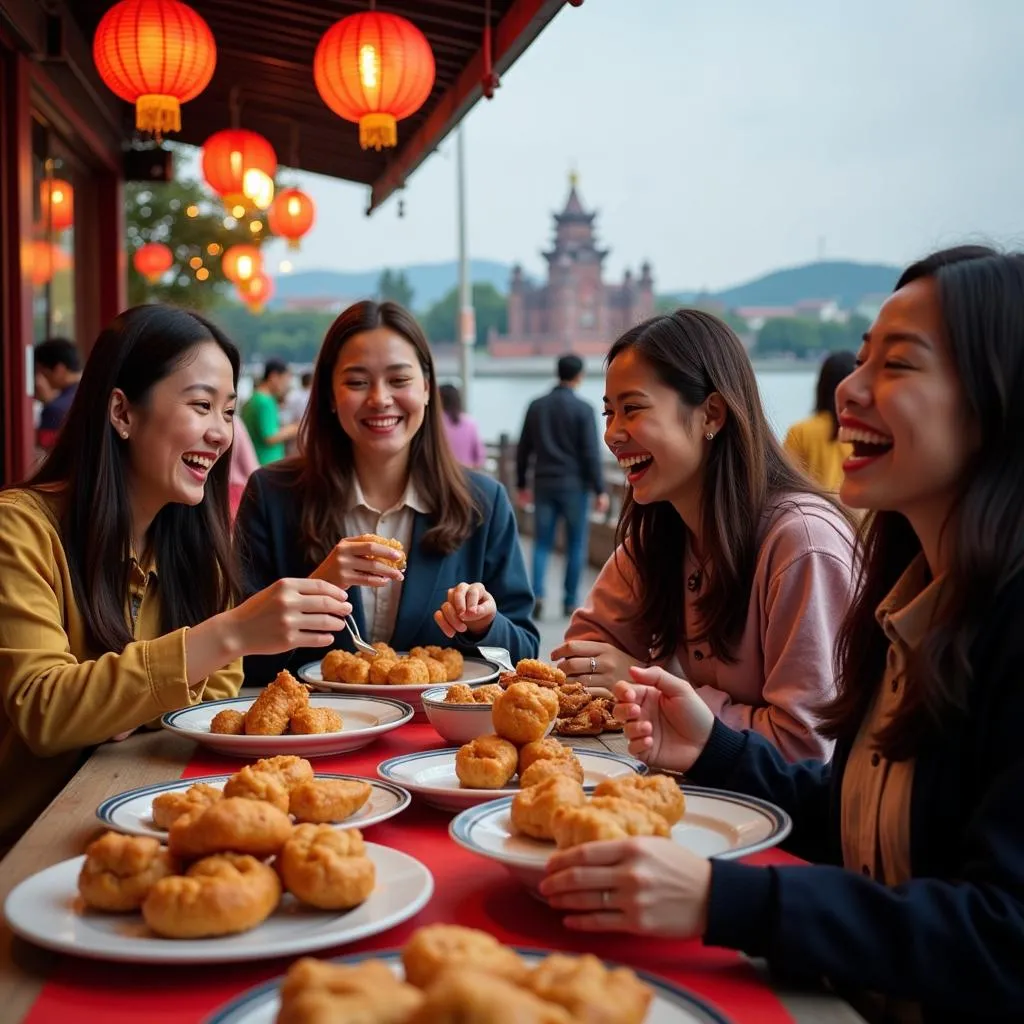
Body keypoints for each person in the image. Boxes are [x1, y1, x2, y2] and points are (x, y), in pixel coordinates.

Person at [542, 247, 1024, 1022]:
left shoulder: (810, 541)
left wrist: (724, 897)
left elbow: (1003, 938)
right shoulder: (911, 602)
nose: (848, 390)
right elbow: (857, 820)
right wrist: (712, 746)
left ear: (1000, 398)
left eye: (897, 364)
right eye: (861, 358)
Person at [0, 305, 353, 852]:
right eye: (202, 405)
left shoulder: (189, 541)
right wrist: (228, 632)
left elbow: (218, 686)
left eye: (229, 412)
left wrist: (116, 705)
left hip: (140, 822)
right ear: (122, 411)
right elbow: (44, 709)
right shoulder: (19, 528)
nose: (220, 434)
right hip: (29, 845)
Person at [553, 310, 856, 762]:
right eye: (608, 412)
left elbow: (806, 747)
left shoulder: (802, 544)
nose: (612, 435)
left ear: (711, 413)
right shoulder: (662, 531)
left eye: (632, 409)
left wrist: (652, 688)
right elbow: (583, 655)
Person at [234, 300, 539, 685]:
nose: (379, 398)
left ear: (427, 388)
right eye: (358, 382)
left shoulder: (483, 502)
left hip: (444, 742)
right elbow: (238, 665)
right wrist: (319, 589)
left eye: (399, 380)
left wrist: (484, 625)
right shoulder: (271, 494)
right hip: (312, 739)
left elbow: (527, 653)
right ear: (329, 394)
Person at [516, 354, 609, 619]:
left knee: (542, 543)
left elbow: (524, 448)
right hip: (575, 485)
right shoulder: (583, 409)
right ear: (579, 376)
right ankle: (570, 601)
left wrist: (522, 483)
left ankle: (538, 596)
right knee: (576, 543)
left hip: (543, 483)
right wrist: (600, 489)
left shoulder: (537, 406)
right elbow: (591, 453)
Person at [784, 350, 857, 491]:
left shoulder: (800, 431)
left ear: (821, 385)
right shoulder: (867, 433)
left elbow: (785, 482)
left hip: (813, 510)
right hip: (858, 511)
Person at [241, 357, 297, 464]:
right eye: (284, 381)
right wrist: (294, 429)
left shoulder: (255, 398)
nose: (285, 386)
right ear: (274, 377)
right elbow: (270, 437)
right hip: (267, 463)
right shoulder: (265, 401)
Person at [34, 336, 82, 451]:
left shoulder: (55, 409)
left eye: (41, 371)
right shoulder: (94, 390)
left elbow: (46, 455)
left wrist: (50, 405)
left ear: (59, 369)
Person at [440, 383, 486, 469]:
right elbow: (480, 457)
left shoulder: (436, 424)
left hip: (443, 473)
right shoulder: (470, 422)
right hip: (467, 474)